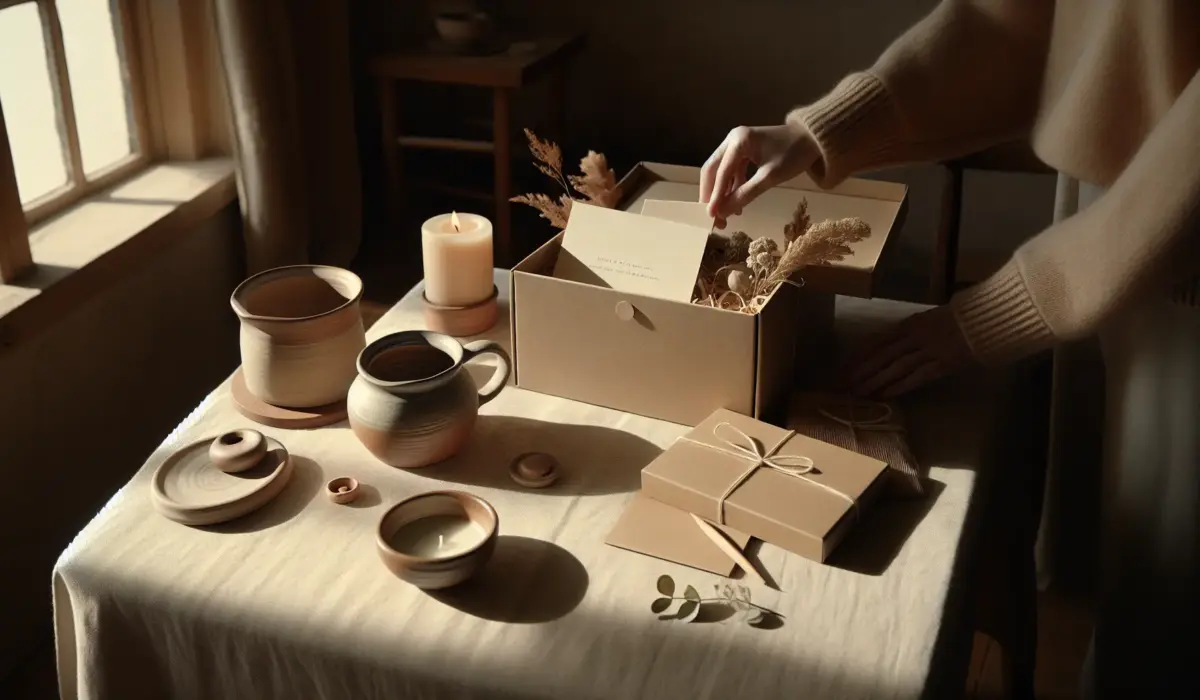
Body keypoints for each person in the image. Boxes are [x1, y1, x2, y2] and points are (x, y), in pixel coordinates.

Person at [700, 1, 1198, 697]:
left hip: (1180, 238)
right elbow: (1013, 21)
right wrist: (814, 133)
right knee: (1109, 562)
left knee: (1168, 602)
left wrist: (1003, 310)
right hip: (1111, 205)